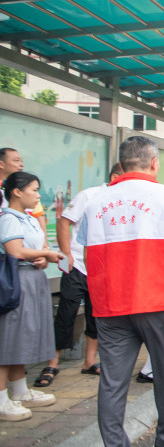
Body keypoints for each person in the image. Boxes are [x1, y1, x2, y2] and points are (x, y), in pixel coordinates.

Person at [76, 136, 164, 447]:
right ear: (154, 163)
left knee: (112, 382)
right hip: (157, 301)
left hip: (110, 305)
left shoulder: (96, 201)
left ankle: (114, 443)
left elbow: (87, 254)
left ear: (122, 165)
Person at [39, 162, 124, 389]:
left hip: (102, 269)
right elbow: (63, 221)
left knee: (96, 315)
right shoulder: (89, 195)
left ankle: (89, 361)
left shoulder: (122, 200)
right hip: (77, 264)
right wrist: (66, 254)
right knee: (66, 313)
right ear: (115, 177)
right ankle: (52, 363)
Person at [0, 172, 62, 422]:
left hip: (30, 279)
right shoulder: (8, 218)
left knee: (20, 337)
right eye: (34, 190)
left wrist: (41, 258)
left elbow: (33, 250)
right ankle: (1, 400)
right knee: (7, 338)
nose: (37, 195)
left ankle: (19, 390)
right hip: (16, 282)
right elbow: (15, 250)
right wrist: (44, 255)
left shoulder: (27, 218)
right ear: (17, 192)